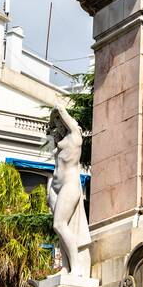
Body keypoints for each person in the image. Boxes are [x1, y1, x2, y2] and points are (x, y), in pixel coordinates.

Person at [47, 100, 90, 275]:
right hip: (55, 187)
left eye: (60, 122)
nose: (58, 125)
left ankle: (77, 266)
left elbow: (58, 107)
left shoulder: (75, 136)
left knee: (60, 224)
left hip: (70, 184)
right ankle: (65, 266)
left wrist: (53, 118)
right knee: (62, 229)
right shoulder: (61, 143)